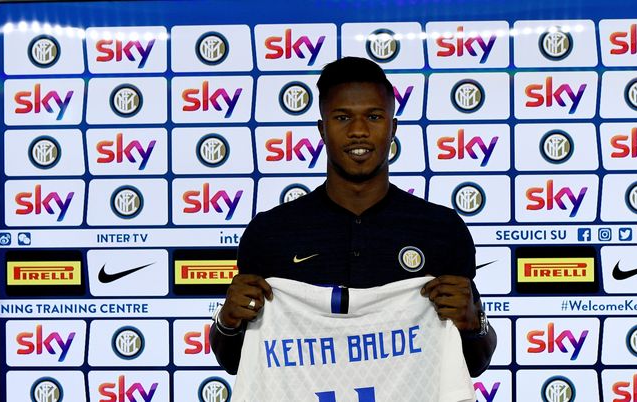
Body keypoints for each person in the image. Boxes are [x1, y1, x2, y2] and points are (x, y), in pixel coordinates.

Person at [210, 56, 497, 380]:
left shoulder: (442, 230)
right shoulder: (270, 233)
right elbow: (235, 363)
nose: (358, 131)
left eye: (373, 117)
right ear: (322, 129)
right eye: (342, 117)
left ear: (392, 128)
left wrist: (473, 324)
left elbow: (476, 364)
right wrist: (228, 322)